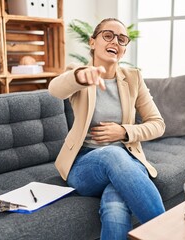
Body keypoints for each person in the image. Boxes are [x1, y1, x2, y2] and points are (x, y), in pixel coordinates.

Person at [48, 18, 165, 240]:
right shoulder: (79, 73)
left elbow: (157, 124)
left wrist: (124, 132)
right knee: (113, 153)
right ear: (93, 42)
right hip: (84, 166)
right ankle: (166, 234)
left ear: (123, 49)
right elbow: (55, 89)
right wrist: (80, 77)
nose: (115, 42)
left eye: (122, 39)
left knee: (115, 206)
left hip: (128, 163)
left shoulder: (133, 78)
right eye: (108, 35)